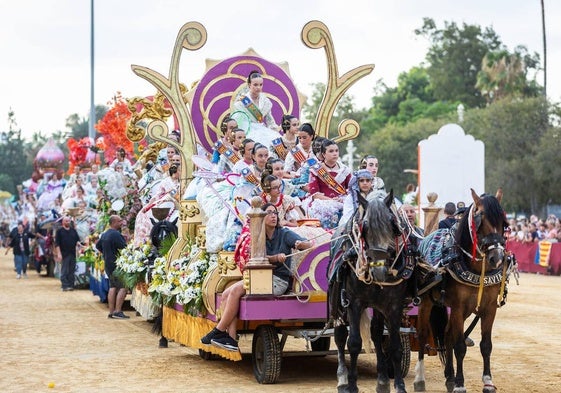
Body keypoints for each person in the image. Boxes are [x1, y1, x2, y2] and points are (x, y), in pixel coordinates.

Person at [201, 203, 313, 351]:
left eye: (275, 213)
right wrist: (274, 258)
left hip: (278, 281)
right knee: (228, 292)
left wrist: (300, 243)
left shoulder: (284, 233)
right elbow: (256, 257)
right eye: (269, 213)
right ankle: (231, 338)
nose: (273, 216)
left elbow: (309, 244)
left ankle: (219, 331)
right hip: (261, 278)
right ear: (260, 218)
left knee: (234, 292)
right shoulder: (257, 235)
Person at [231, 70, 280, 148]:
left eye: (261, 85)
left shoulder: (266, 101)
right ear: (249, 85)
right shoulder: (241, 102)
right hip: (247, 132)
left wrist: (275, 131)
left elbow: (270, 121)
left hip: (263, 130)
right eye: (255, 85)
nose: (258, 87)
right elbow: (238, 122)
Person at [96, 215, 129, 319]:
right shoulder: (116, 234)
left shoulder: (105, 234)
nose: (121, 223)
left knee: (112, 287)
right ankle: (118, 311)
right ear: (113, 222)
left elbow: (98, 246)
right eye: (119, 221)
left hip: (108, 264)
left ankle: (111, 311)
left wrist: (106, 253)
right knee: (123, 287)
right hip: (117, 264)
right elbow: (124, 248)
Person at [54, 216, 81, 291]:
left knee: (71, 270)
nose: (68, 222)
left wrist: (79, 245)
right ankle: (64, 285)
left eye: (69, 221)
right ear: (63, 222)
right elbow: (57, 244)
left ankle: (71, 285)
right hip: (64, 253)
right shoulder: (59, 231)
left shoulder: (73, 231)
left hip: (72, 253)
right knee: (64, 270)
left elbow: (77, 240)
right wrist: (59, 254)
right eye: (66, 221)